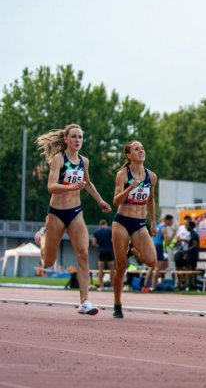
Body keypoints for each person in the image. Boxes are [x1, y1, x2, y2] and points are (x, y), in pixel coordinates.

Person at [34, 123, 111, 315]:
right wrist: (71, 187)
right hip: (56, 213)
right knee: (48, 262)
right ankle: (42, 238)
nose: (77, 140)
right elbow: (51, 186)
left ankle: (85, 302)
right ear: (66, 139)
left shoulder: (84, 161)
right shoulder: (59, 159)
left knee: (83, 253)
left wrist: (100, 200)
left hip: (75, 212)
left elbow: (87, 183)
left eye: (80, 137)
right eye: (74, 136)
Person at [111, 140, 158, 318]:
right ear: (128, 155)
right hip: (122, 222)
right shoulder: (123, 175)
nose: (141, 151)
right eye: (136, 149)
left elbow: (151, 199)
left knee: (152, 261)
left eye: (142, 148)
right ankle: (117, 304)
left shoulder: (151, 176)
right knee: (121, 266)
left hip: (139, 223)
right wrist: (129, 189)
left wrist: (153, 222)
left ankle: (133, 249)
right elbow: (116, 201)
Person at [92, 219, 114, 290]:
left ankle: (101, 285)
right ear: (106, 224)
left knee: (100, 269)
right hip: (109, 251)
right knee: (111, 269)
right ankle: (111, 285)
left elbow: (93, 243)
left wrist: (99, 246)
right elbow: (113, 240)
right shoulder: (110, 231)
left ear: (100, 225)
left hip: (101, 251)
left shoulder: (96, 232)